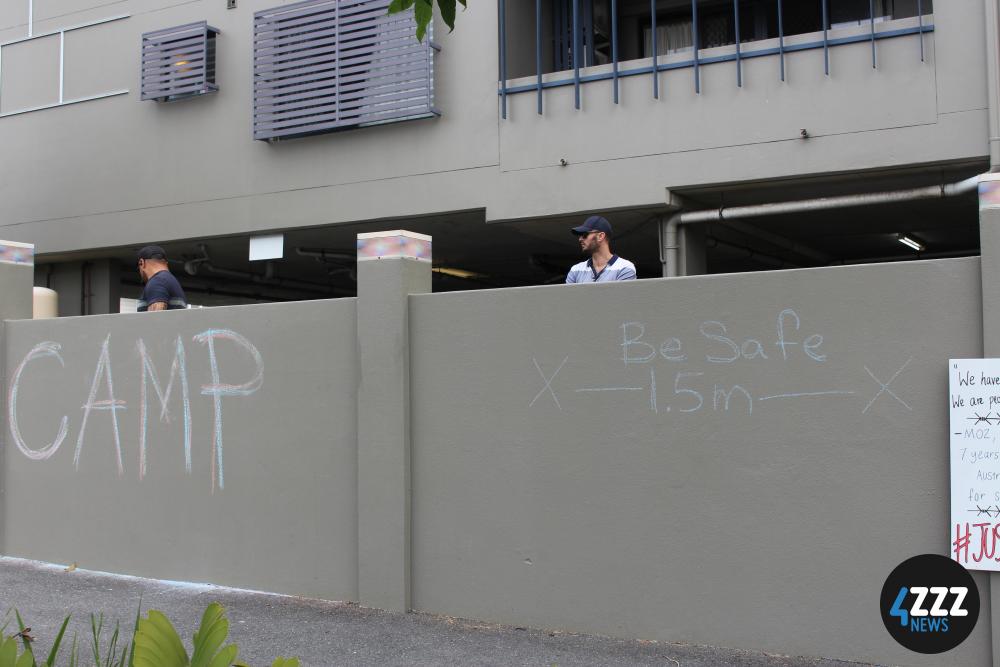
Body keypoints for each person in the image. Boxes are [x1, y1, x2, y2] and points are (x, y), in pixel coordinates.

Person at [566, 215, 637, 283]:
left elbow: (621, 295)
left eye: (585, 235)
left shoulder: (625, 267)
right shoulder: (575, 270)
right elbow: (568, 295)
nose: (580, 239)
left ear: (600, 236)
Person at [136, 245, 187, 312]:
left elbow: (156, 319)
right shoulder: (172, 281)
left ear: (142, 262)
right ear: (166, 263)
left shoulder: (157, 281)